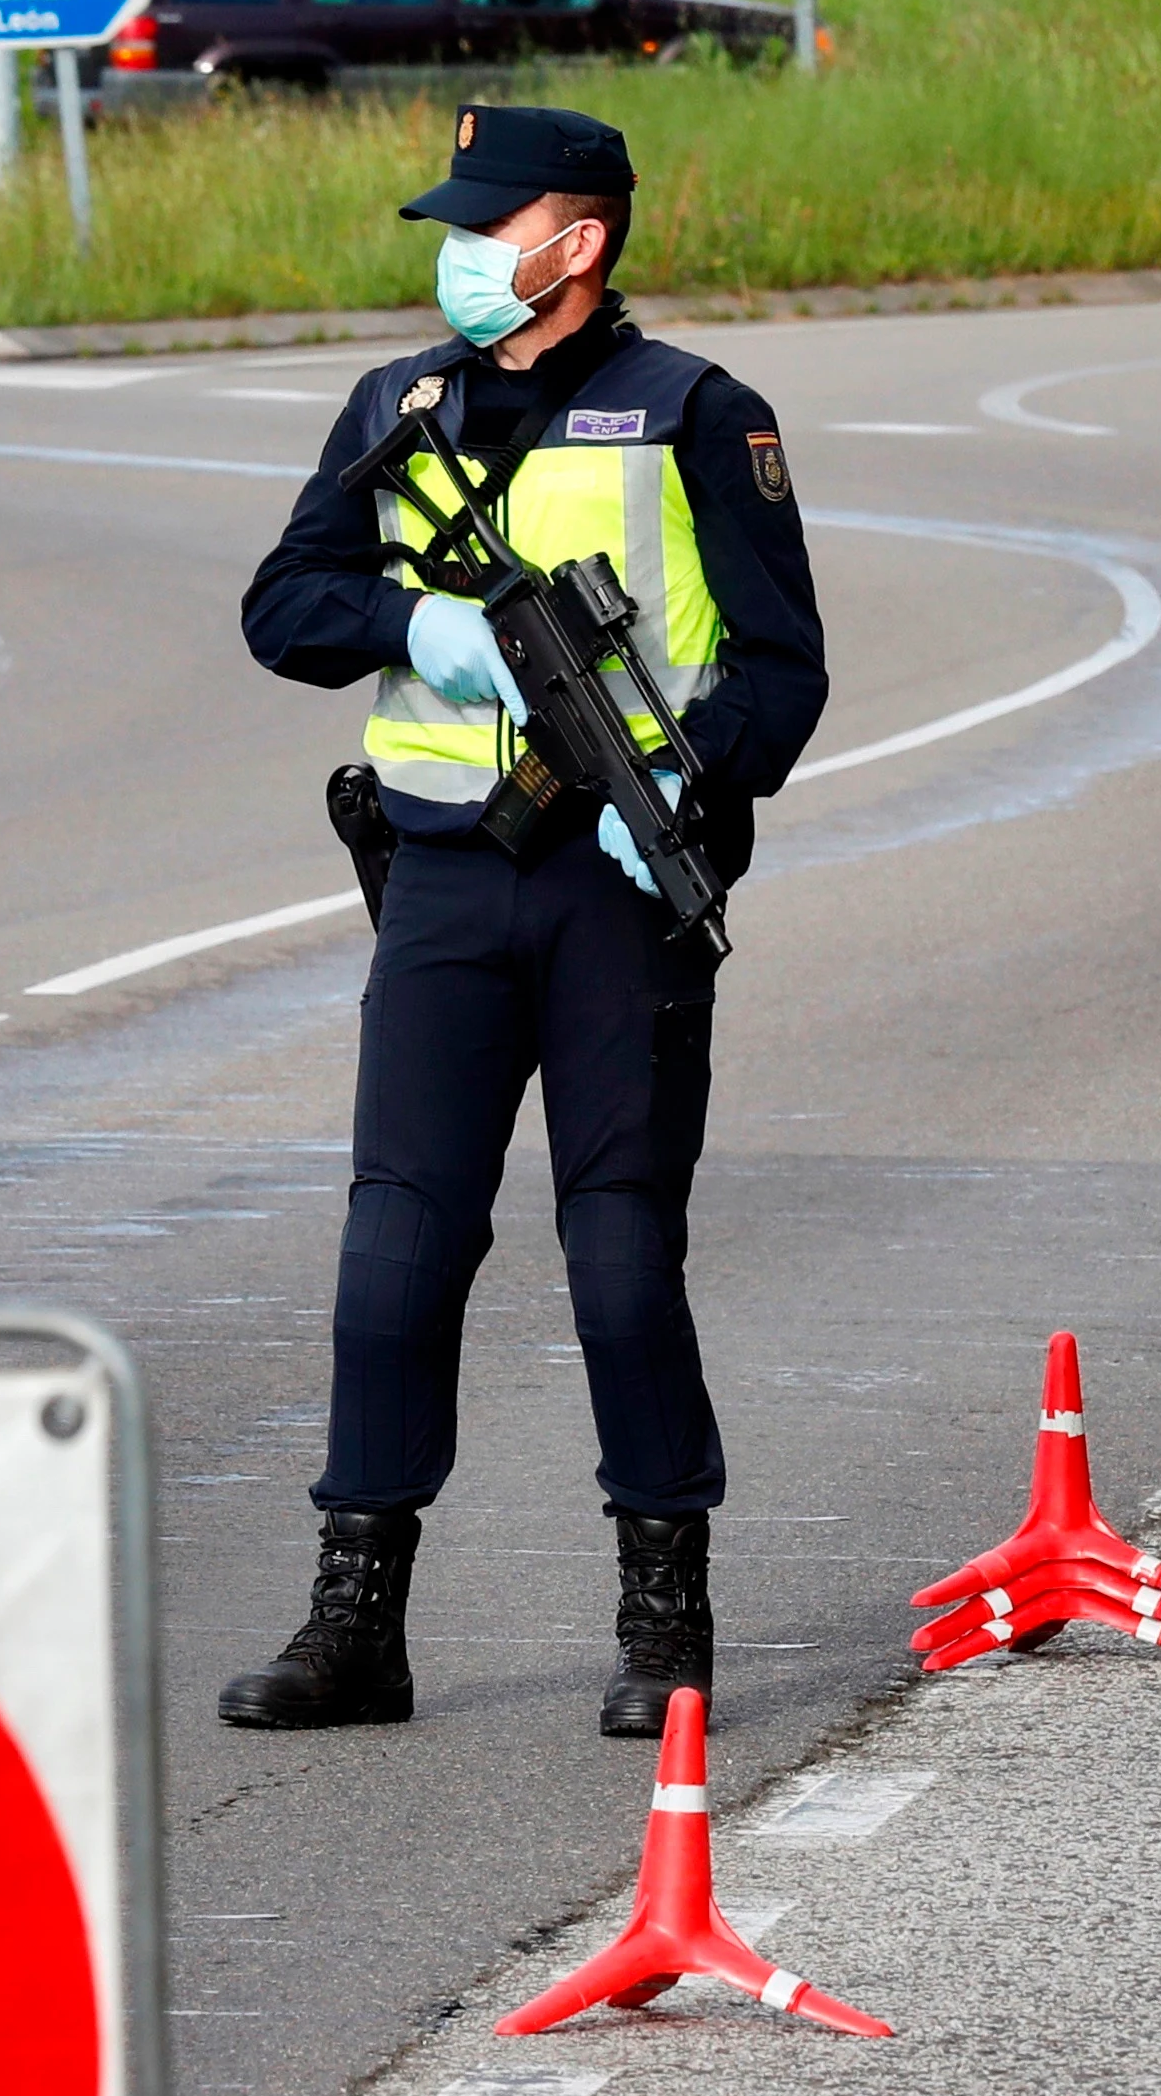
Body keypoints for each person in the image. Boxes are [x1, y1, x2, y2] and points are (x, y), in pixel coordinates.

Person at [230, 104, 827, 1741]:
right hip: (439, 876)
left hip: (613, 891)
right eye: (461, 226)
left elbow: (783, 666)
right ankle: (357, 1619)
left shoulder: (696, 413)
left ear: (583, 244)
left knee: (620, 1249)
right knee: (393, 1248)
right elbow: (283, 607)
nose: (466, 254)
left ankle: (664, 1612)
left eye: (499, 226)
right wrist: (419, 620)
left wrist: (698, 803)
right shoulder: (395, 405)